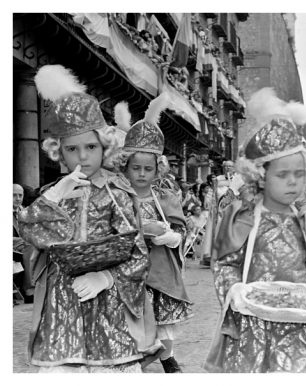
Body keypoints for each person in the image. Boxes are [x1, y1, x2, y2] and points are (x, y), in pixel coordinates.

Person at [18, 64, 152, 372]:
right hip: (61, 304)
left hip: (106, 307)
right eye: (72, 149)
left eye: (90, 147)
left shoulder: (117, 192)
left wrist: (105, 278)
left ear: (104, 147)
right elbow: (27, 231)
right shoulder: (52, 192)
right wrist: (52, 197)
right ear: (59, 153)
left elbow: (139, 254)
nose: (83, 157)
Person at [204, 88, 306, 373]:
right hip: (253, 324)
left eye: (299, 174)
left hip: (302, 325)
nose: (292, 182)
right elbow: (225, 263)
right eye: (282, 175)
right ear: (260, 176)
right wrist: (234, 291)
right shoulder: (243, 217)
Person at [116, 93, 193, 373]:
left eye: (147, 169)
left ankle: (167, 357)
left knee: (163, 316)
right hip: (129, 265)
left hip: (160, 264)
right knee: (132, 312)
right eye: (135, 168)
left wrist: (171, 236)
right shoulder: (119, 196)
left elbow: (180, 227)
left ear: (157, 170)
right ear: (125, 167)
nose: (141, 174)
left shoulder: (165, 196)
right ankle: (133, 353)